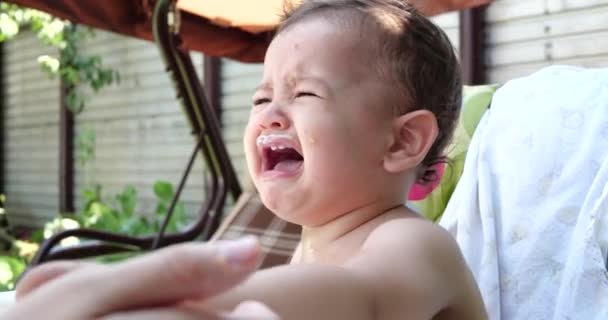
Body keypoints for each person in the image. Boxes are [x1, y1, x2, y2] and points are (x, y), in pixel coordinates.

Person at [6, 1, 487, 318]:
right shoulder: (312, 246)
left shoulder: (416, 244)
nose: (270, 115)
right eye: (260, 99)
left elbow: (363, 300)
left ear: (402, 142)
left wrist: (191, 302)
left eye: (305, 92)